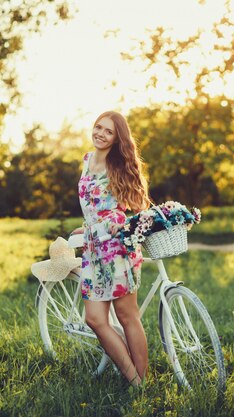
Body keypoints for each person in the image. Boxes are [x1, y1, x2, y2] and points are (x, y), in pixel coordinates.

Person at [70, 111, 151, 387]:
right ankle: (133, 378)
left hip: (117, 249)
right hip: (93, 249)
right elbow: (93, 203)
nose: (101, 134)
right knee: (94, 319)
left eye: (108, 132)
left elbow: (131, 206)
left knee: (128, 316)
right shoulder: (86, 160)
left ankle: (140, 383)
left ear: (117, 139)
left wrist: (116, 223)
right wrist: (88, 226)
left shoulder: (119, 166)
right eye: (98, 127)